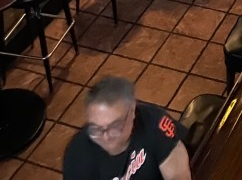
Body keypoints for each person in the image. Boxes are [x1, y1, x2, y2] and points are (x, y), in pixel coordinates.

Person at [63, 75, 191, 180]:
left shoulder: (155, 123)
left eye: (115, 126)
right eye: (96, 129)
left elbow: (178, 174)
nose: (106, 136)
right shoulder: (77, 154)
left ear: (132, 110)